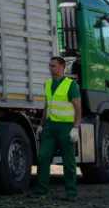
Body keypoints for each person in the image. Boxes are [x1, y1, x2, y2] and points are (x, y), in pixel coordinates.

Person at [30, 55, 82, 200]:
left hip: (66, 127)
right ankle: (41, 189)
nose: (51, 69)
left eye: (54, 66)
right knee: (43, 157)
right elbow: (47, 105)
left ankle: (71, 193)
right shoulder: (47, 84)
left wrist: (75, 128)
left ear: (62, 67)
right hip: (50, 127)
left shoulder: (70, 85)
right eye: (49, 66)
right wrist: (41, 125)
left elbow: (78, 106)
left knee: (68, 161)